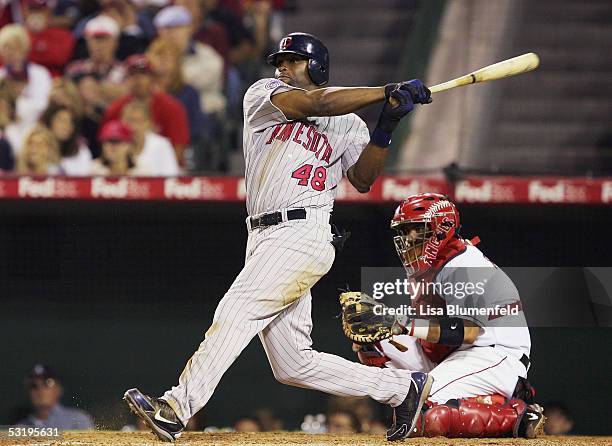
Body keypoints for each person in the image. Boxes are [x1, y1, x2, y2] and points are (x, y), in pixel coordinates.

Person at [124, 32, 434, 442]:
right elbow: (317, 103)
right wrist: (384, 91)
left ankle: (177, 407)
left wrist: (387, 125)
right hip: (263, 236)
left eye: (293, 60)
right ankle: (401, 388)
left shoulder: (348, 123)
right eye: (280, 60)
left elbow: (362, 178)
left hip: (303, 231)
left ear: (318, 67)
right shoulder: (264, 94)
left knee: (236, 311)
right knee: (293, 365)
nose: (282, 67)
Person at [341, 193, 546, 438]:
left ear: (442, 228)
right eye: (403, 231)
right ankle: (476, 398)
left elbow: (468, 331)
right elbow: (435, 332)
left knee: (425, 412)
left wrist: (402, 324)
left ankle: (518, 416)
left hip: (495, 354)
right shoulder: (429, 266)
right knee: (375, 340)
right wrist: (381, 328)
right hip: (458, 352)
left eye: (416, 229)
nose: (408, 239)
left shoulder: (465, 264)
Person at [102, 54, 190, 164]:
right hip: (123, 169)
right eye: (132, 74)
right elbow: (106, 146)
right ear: (126, 80)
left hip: (162, 168)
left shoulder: (172, 108)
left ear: (152, 78)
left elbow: (178, 149)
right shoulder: (115, 109)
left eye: (143, 74)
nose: (138, 79)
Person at [153, 5, 225, 115]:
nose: (169, 34)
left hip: (203, 113)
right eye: (164, 29)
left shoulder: (207, 55)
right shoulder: (152, 54)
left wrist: (168, 75)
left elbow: (207, 75)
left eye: (175, 28)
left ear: (189, 28)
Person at [65, 14, 127, 105]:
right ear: (87, 41)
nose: (100, 44)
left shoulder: (124, 70)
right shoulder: (75, 68)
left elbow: (126, 97)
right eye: (95, 39)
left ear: (115, 42)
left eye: (105, 39)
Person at [0, 24, 52, 128]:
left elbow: (43, 106)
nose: (10, 52)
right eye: (6, 47)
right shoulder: (1, 75)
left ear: (24, 48)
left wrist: (18, 104)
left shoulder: (40, 74)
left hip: (35, 127)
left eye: (15, 47)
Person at [16, 364, 94, 429]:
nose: (40, 389)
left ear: (58, 389)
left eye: (47, 383)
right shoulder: (20, 427)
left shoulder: (77, 419)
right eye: (33, 385)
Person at [120, 100, 179, 176]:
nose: (133, 126)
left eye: (139, 121)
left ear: (148, 123)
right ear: (121, 121)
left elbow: (171, 177)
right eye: (129, 120)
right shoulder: (114, 143)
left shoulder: (162, 145)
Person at [22, 0, 75, 77]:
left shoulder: (63, 34)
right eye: (32, 10)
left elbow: (60, 59)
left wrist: (32, 51)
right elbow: (15, 60)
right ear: (25, 12)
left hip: (53, 80)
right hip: (23, 80)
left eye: (40, 11)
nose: (36, 15)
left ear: (48, 12)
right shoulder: (19, 34)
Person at [41, 104, 92, 176]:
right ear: (50, 122)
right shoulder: (39, 148)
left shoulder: (82, 151)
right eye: (61, 121)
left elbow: (84, 178)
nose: (66, 126)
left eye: (70, 122)